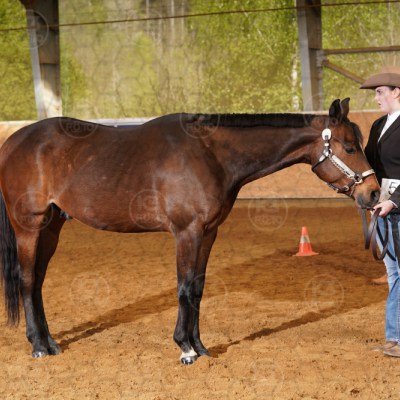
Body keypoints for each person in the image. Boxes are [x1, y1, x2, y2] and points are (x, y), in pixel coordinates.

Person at [361, 66, 400, 357]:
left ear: (396, 92)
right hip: (381, 208)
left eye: (379, 92)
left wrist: (394, 200)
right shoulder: (378, 126)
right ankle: (394, 337)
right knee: (393, 272)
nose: (376, 98)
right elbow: (367, 164)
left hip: (395, 206)